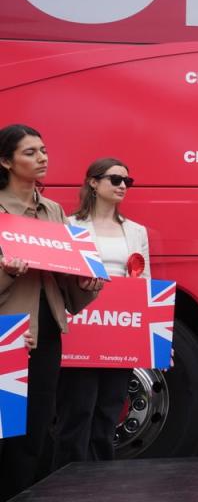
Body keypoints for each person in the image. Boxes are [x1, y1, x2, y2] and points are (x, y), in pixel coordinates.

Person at [0, 125, 103, 502]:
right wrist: (7, 271)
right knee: (5, 432)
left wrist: (86, 284)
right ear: (5, 161)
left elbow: (66, 285)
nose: (42, 157)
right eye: (30, 152)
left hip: (46, 334)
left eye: (43, 150)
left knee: (37, 431)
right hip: (5, 336)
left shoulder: (54, 210)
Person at [53, 158, 150, 467]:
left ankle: (100, 479)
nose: (123, 186)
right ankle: (69, 476)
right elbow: (60, 276)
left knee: (110, 408)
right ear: (93, 182)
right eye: (115, 179)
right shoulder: (70, 225)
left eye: (127, 181)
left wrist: (152, 338)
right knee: (77, 407)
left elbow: (144, 282)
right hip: (81, 325)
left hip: (120, 330)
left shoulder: (136, 231)